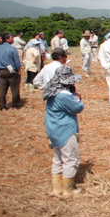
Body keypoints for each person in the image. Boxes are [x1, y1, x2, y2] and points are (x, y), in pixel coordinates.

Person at [43, 65, 84, 197]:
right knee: (71, 158)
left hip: (53, 128)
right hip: (65, 129)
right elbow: (77, 107)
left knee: (58, 158)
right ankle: (68, 190)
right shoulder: (64, 96)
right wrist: (77, 98)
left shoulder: (52, 92)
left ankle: (57, 189)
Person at [0, 33, 22, 111]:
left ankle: (2, 106)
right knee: (15, 89)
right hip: (12, 71)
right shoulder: (12, 48)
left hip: (1, 71)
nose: (13, 39)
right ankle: (15, 105)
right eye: (12, 38)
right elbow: (16, 61)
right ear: (7, 39)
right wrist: (19, 71)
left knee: (2, 90)